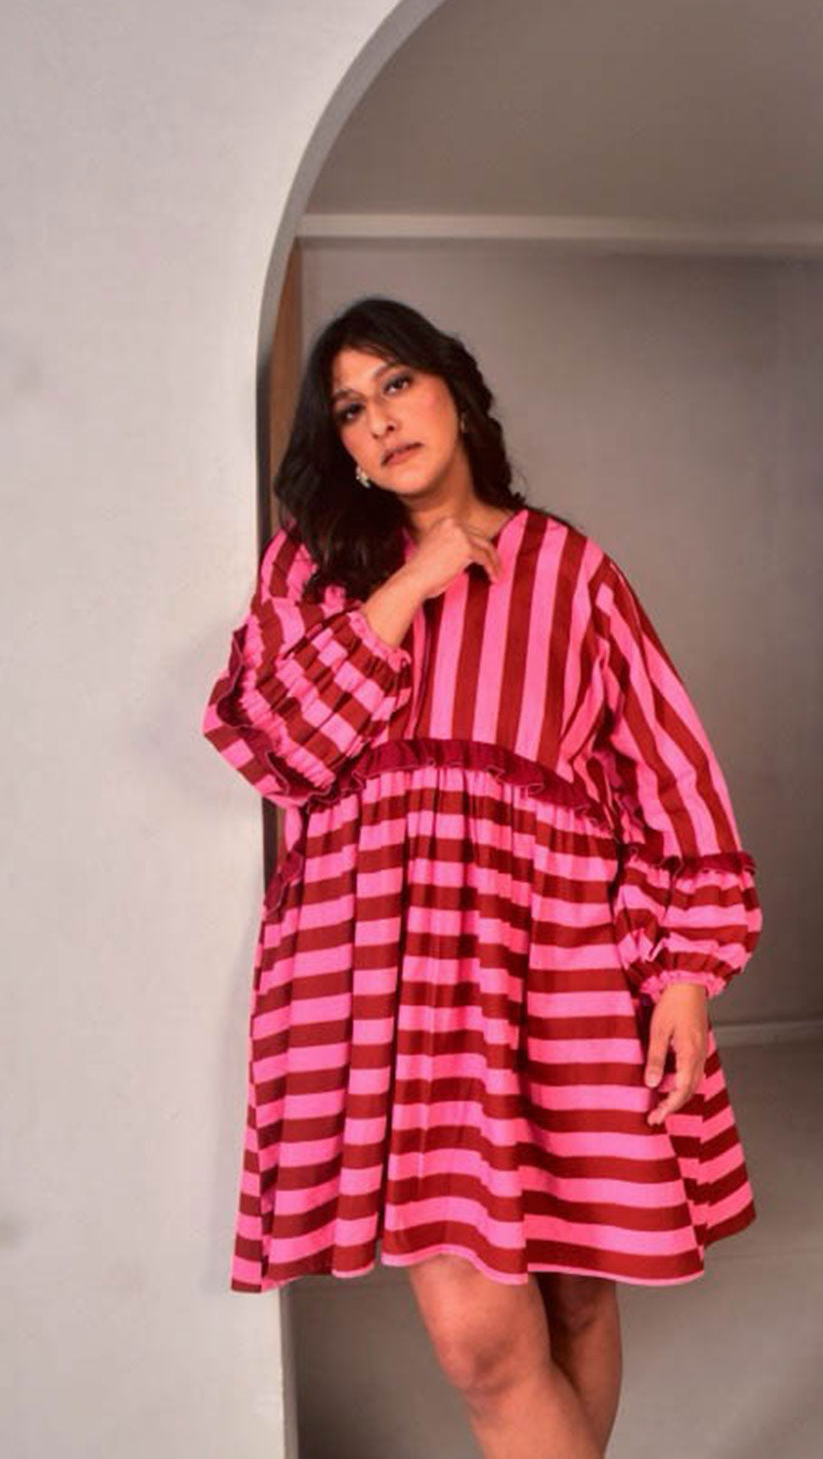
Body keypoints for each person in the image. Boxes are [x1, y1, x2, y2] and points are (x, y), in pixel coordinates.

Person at [200, 295, 763, 1459]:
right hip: (390, 973)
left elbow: (671, 773)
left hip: (555, 962)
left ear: (454, 390)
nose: (379, 420)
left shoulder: (572, 570)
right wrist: (413, 584)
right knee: (483, 1347)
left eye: (397, 384)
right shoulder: (315, 567)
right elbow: (277, 747)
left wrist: (685, 975)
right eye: (348, 409)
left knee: (576, 1296)